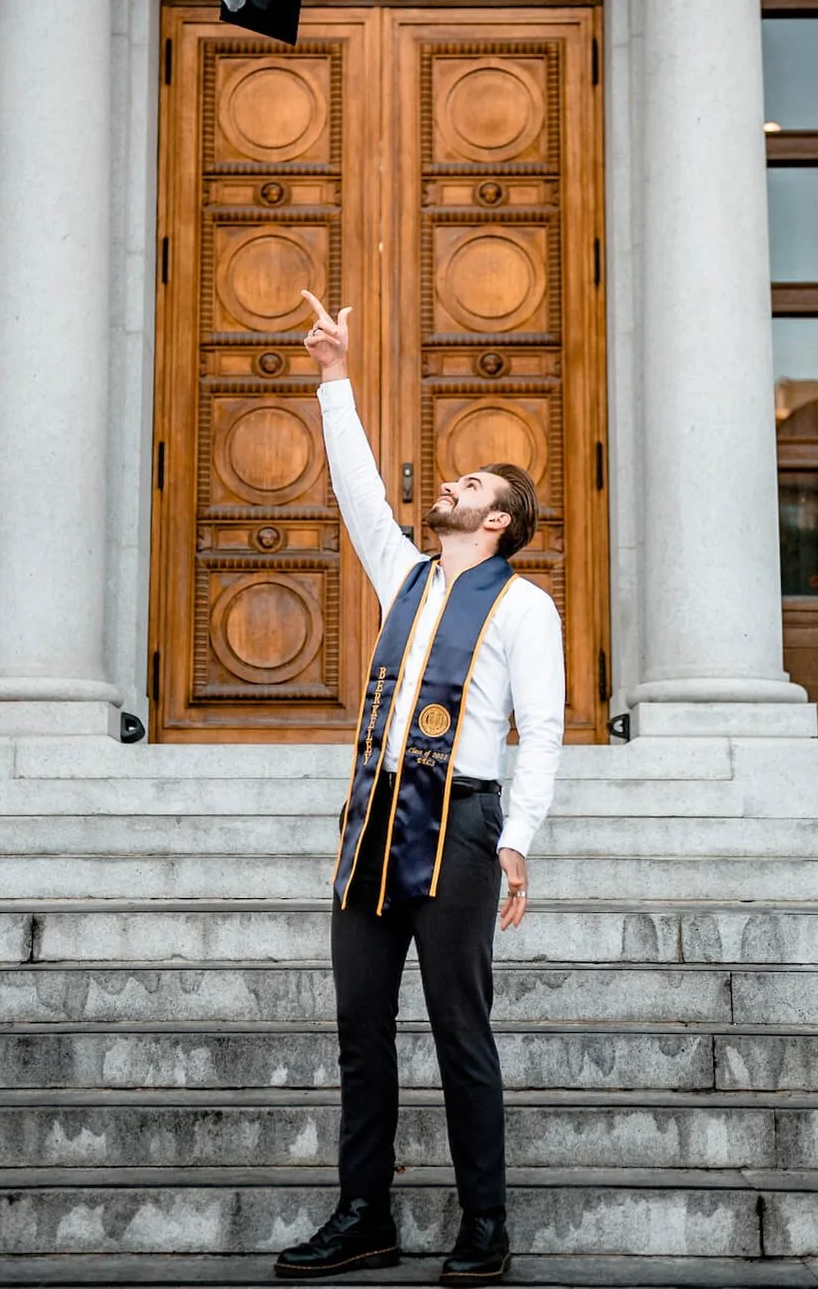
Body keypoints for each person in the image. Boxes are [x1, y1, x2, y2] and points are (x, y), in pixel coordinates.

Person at [274, 292, 565, 1286]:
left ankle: (484, 1222)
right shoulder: (404, 572)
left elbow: (547, 727)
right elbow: (357, 489)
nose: (447, 482)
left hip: (462, 824)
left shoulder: (526, 608)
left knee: (459, 1030)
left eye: (470, 481)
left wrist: (518, 834)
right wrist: (333, 378)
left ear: (498, 518)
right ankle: (363, 1215)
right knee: (361, 1026)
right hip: (374, 822)